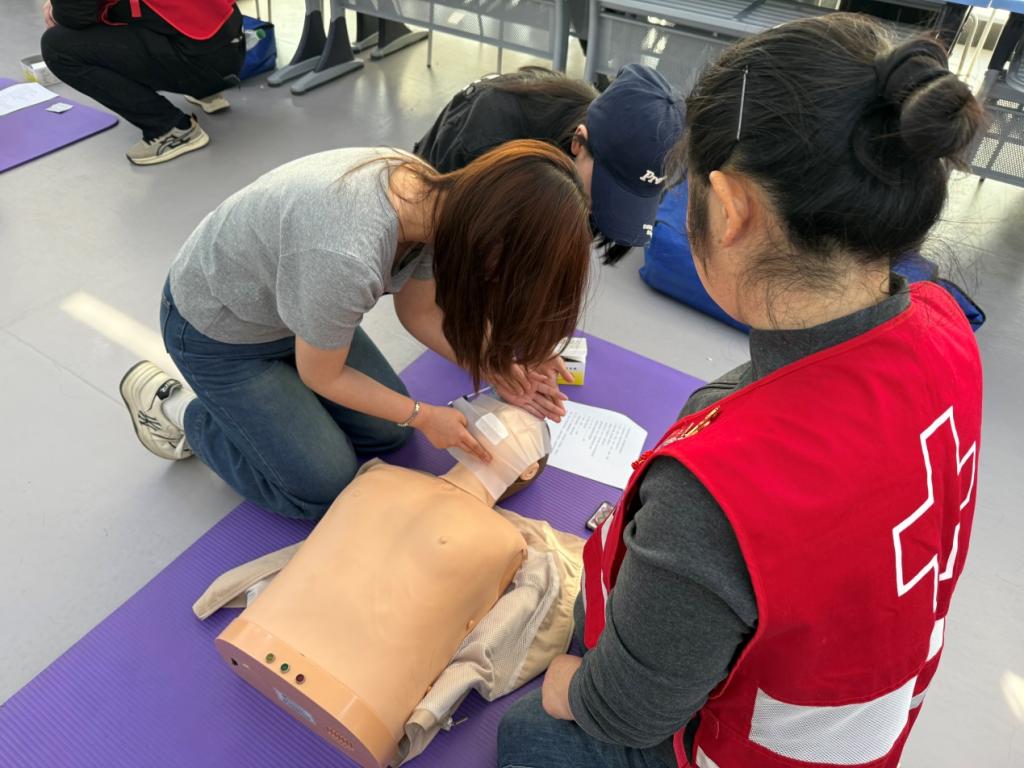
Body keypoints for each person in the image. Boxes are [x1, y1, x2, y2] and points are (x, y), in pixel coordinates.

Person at [498, 14, 984, 768]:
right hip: (861, 714)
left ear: (729, 209)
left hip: (740, 747)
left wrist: (569, 687)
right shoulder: (944, 324)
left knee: (529, 733)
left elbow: (626, 712)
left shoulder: (713, 492)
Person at [119, 141, 591, 521]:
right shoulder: (347, 254)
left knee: (389, 435)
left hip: (293, 314)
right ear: (492, 241)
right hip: (219, 333)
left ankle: (266, 407)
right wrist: (425, 415)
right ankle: (179, 409)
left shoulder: (439, 202)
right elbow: (322, 374)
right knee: (324, 486)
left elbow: (420, 312)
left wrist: (492, 362)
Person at [414, 64, 684, 264]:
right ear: (578, 142)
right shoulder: (485, 136)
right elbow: (434, 252)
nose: (604, 209)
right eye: (606, 190)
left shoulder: (642, 160)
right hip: (439, 209)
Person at [40, 0, 244, 165]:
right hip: (231, 47)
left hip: (199, 63)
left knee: (57, 46)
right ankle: (205, 92)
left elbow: (74, 16)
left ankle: (170, 128)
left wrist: (56, 9)